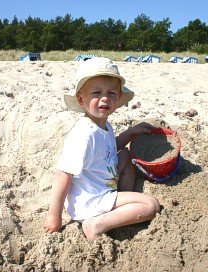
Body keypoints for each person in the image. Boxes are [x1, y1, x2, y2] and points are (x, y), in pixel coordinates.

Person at [44, 57, 160, 240]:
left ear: (119, 97)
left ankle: (119, 201)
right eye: (96, 93)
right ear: (81, 99)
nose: (105, 98)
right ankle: (97, 224)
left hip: (101, 187)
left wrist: (131, 133)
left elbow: (109, 147)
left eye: (112, 93)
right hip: (91, 200)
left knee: (126, 155)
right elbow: (62, 174)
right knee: (151, 205)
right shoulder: (84, 134)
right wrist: (54, 216)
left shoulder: (103, 126)